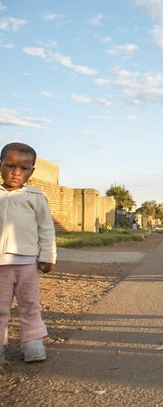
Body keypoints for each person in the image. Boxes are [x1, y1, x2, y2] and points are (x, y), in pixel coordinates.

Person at [0, 142, 56, 363]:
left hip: (27, 263)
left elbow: (46, 229)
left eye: (24, 168)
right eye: (10, 166)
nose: (16, 172)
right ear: (0, 166)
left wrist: (48, 256)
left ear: (32, 171)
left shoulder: (36, 196)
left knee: (30, 305)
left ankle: (33, 343)